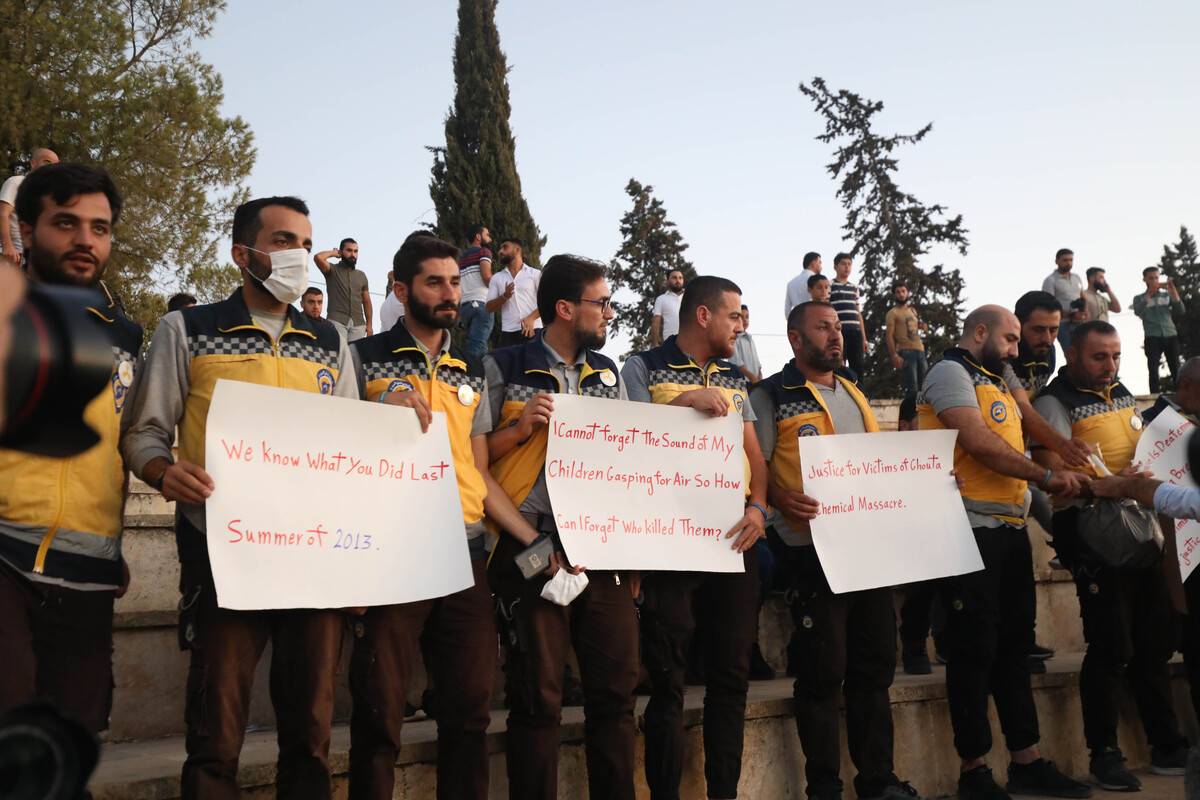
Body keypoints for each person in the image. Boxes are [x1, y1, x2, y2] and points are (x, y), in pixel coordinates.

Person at [121, 196, 357, 799]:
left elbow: (354, 445)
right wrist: (161, 470)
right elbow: (145, 433)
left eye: (306, 242)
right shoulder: (187, 329)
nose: (300, 255)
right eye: (283, 241)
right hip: (222, 555)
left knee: (310, 738)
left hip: (313, 560)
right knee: (215, 737)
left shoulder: (332, 340)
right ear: (243, 255)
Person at [347, 233, 543, 800]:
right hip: (390, 554)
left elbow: (478, 470)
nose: (450, 292)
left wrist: (530, 538)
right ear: (402, 290)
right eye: (435, 282)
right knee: (379, 718)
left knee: (469, 715)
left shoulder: (469, 368)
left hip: (465, 554)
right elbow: (332, 454)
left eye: (455, 282)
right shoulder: (361, 358)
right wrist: (375, 413)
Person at [917, 305, 1091, 800]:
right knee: (973, 649)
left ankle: (1026, 760)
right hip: (967, 527)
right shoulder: (950, 371)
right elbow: (975, 441)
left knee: (1015, 646)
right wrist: (1047, 475)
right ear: (980, 333)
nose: (1018, 349)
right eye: (1011, 339)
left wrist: (1063, 446)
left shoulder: (1001, 371)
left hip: (1009, 525)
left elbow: (1029, 415)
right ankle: (973, 769)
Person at [484, 254, 638, 800]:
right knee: (539, 697)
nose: (610, 313)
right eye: (601, 302)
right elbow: (473, 466)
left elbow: (627, 458)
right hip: (528, 543)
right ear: (566, 308)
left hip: (599, 549)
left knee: (616, 696)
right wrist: (521, 430)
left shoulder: (608, 372)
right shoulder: (504, 366)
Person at [753, 301, 921, 800]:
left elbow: (878, 464)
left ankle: (877, 781)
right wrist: (780, 499)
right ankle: (823, 786)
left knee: (874, 668)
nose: (836, 336)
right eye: (822, 328)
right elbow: (754, 465)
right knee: (822, 671)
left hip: (867, 551)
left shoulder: (852, 390)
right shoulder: (769, 397)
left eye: (838, 328)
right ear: (795, 339)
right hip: (809, 553)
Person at [0, 163, 141, 734]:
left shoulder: (124, 333)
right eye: (67, 223)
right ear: (26, 230)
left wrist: (114, 543)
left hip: (88, 569)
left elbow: (116, 443)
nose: (86, 240)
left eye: (100, 228)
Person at [622, 276, 769, 800]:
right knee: (667, 682)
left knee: (731, 677)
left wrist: (758, 507)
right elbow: (627, 439)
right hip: (669, 543)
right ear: (703, 316)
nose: (742, 325)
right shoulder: (642, 366)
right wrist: (682, 401)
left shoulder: (735, 376)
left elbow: (754, 454)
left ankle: (723, 793)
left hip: (734, 543)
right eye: (735, 315)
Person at [1030, 320, 1188, 788]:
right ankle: (1104, 753)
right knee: (1111, 644)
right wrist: (1116, 483)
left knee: (1155, 640)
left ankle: (1165, 743)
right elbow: (1053, 471)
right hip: (1092, 532)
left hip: (1141, 528)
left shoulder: (1120, 391)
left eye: (1117, 356)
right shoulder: (1052, 404)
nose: (1110, 365)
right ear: (1072, 354)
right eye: (1100, 357)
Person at [0, 147, 59, 266]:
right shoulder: (17, 182)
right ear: (33, 163)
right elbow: (2, 213)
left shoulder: (46, 197)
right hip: (8, 255)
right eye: (47, 162)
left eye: (55, 165)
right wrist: (7, 246)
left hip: (26, 261)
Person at [1132, 266, 1184, 395]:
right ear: (1145, 279)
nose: (1155, 280)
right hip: (1152, 336)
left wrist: (1173, 290)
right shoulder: (1139, 298)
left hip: (1170, 334)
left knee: (1176, 368)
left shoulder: (1166, 295)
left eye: (1156, 277)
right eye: (1151, 278)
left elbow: (1181, 310)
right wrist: (1149, 294)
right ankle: (1155, 397)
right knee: (1153, 369)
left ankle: (1181, 394)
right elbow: (1138, 311)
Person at [485, 237, 541, 349]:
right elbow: (488, 307)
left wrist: (531, 318)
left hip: (534, 330)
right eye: (500, 248)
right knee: (511, 367)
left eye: (505, 247)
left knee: (536, 366)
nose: (500, 251)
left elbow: (547, 301)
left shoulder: (535, 274)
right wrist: (504, 296)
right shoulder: (497, 278)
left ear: (517, 250)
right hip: (509, 334)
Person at [315, 237, 373, 340]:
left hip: (358, 324)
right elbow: (318, 257)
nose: (353, 255)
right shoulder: (332, 270)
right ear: (341, 252)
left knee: (354, 355)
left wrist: (369, 325)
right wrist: (333, 253)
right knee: (338, 354)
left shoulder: (361, 275)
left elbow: (367, 301)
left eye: (355, 251)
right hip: (337, 321)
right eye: (349, 250)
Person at [458, 224, 495, 358]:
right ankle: (473, 375)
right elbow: (486, 277)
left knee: (476, 344)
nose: (490, 239)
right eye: (487, 235)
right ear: (478, 237)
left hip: (465, 307)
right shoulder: (484, 252)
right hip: (481, 304)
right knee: (478, 346)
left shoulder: (461, 258)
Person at [885, 282, 927, 397]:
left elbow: (913, 327)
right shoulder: (892, 313)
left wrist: (922, 326)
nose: (901, 294)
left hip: (920, 351)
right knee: (912, 389)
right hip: (906, 353)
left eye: (903, 291)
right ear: (894, 295)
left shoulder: (913, 311)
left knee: (926, 387)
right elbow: (889, 335)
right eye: (898, 292)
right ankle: (912, 415)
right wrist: (894, 355)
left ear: (907, 292)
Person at [830, 252, 867, 379]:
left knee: (858, 365)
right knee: (839, 364)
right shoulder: (830, 285)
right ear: (835, 266)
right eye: (843, 264)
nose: (847, 267)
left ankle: (860, 395)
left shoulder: (854, 288)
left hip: (855, 331)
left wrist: (864, 337)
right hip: (839, 331)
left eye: (849, 264)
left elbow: (858, 313)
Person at [1041, 248, 1084, 350]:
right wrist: (1069, 314)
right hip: (1063, 324)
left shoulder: (1076, 278)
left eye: (1070, 260)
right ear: (1057, 261)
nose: (1068, 263)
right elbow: (1048, 305)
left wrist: (1082, 312)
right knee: (1071, 353)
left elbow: (1083, 296)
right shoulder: (1050, 280)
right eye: (1065, 260)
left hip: (1080, 322)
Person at [651, 267, 685, 346]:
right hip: (671, 344)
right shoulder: (661, 299)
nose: (678, 280)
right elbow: (656, 321)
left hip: (692, 342)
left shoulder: (691, 295)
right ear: (667, 280)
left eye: (680, 278)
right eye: (674, 278)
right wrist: (655, 344)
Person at [729, 304, 762, 383]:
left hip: (755, 383)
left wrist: (760, 378)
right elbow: (737, 364)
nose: (745, 320)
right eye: (741, 317)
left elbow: (758, 364)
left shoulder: (751, 340)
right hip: (742, 383)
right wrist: (752, 378)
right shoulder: (734, 339)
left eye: (747, 317)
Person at [784, 251, 822, 317]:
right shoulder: (818, 280)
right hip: (814, 319)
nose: (821, 266)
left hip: (798, 322)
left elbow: (787, 311)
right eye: (820, 262)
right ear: (813, 263)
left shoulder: (790, 283)